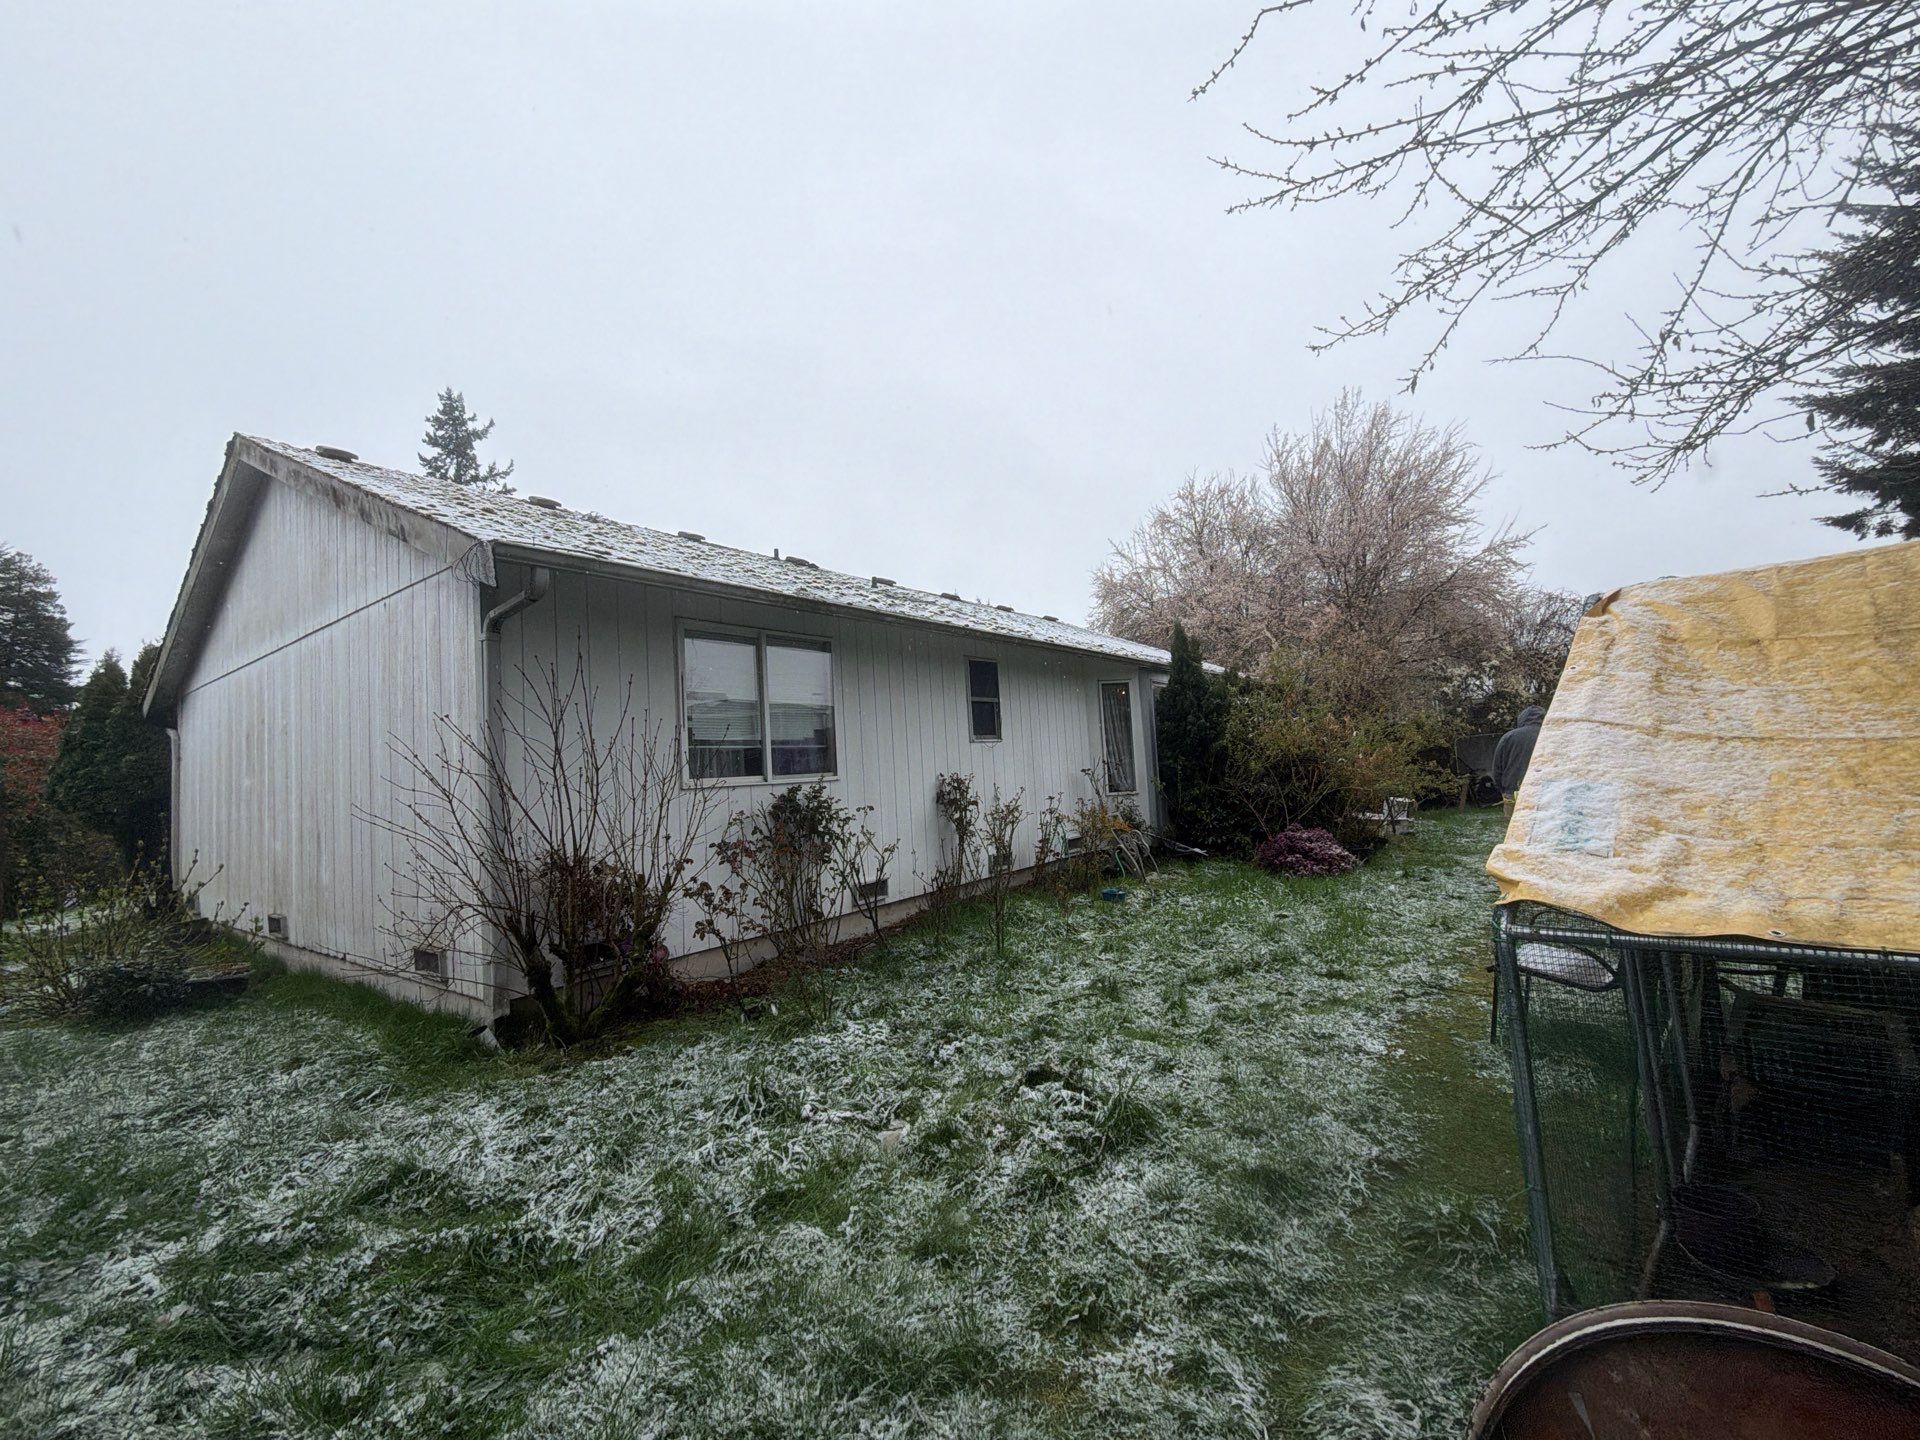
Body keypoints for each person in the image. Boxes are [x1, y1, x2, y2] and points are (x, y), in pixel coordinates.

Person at [1492, 705, 1546, 819]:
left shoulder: (1508, 737)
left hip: (1513, 791)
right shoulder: (1550, 736)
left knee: (1514, 831)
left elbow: (1497, 769)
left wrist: (1505, 790)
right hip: (1544, 792)